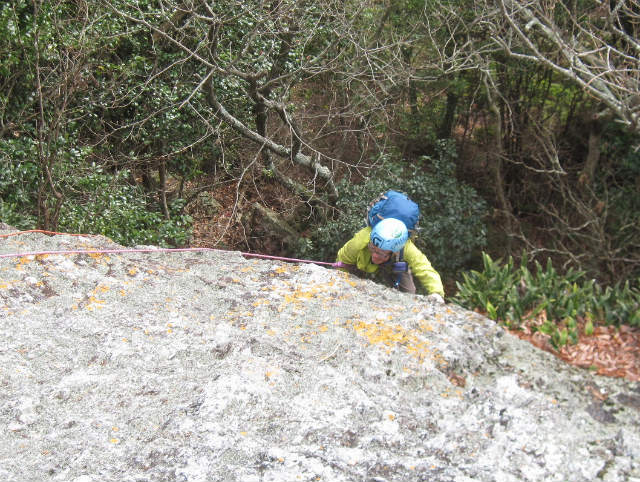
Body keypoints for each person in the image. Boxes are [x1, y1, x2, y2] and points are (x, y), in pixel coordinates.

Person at [336, 217, 445, 303]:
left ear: (395, 251)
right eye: (372, 248)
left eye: (380, 253)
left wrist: (436, 293)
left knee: (409, 292)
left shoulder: (405, 248)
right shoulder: (361, 240)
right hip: (365, 261)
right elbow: (343, 259)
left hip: (393, 262)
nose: (374, 255)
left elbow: (424, 268)